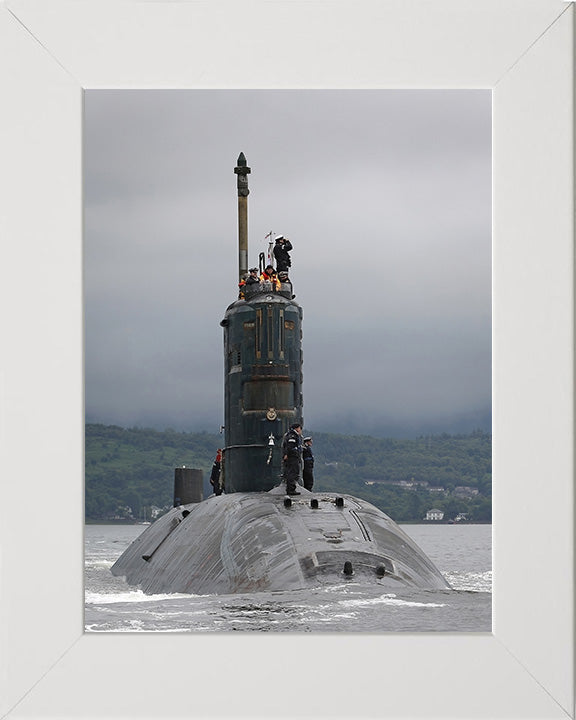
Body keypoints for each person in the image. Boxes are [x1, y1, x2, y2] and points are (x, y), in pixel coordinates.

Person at [282, 422, 302, 495]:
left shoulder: (292, 435)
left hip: (293, 457)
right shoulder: (292, 436)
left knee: (293, 472)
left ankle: (291, 489)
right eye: (300, 428)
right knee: (292, 473)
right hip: (292, 457)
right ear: (296, 428)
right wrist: (288, 454)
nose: (300, 430)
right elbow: (290, 447)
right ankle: (291, 490)